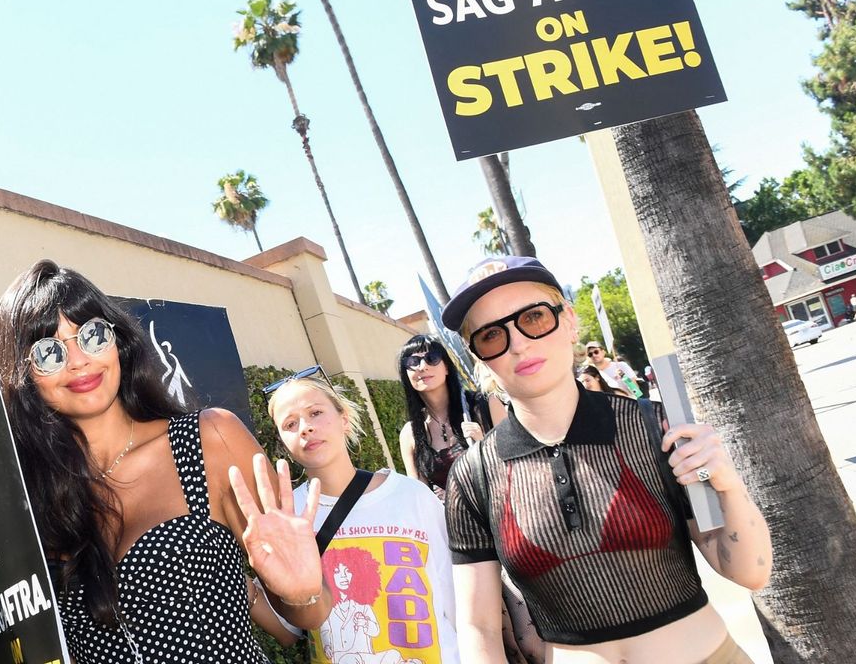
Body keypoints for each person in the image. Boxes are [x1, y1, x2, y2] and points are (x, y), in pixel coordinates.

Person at [0, 260, 331, 663]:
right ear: (24, 376)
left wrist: (302, 591)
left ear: (118, 341)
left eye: (92, 335)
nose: (79, 361)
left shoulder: (209, 439)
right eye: (48, 352)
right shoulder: (33, 501)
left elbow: (305, 616)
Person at [440, 256, 772, 664]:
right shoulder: (473, 477)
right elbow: (480, 627)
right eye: (492, 335)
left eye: (534, 317)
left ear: (570, 322)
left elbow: (748, 571)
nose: (520, 343)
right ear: (479, 359)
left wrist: (728, 484)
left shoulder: (654, 426)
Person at [264, 372, 462, 664]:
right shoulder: (286, 514)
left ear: (344, 419)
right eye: (290, 424)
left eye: (315, 413)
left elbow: (457, 598)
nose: (305, 428)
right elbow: (289, 626)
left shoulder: (411, 496)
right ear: (283, 442)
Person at [396, 334, 503, 494]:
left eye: (431, 358)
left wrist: (483, 445)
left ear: (446, 367)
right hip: (448, 517)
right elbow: (420, 497)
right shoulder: (411, 434)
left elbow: (517, 466)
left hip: (498, 509)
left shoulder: (485, 405)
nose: (422, 366)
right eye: (412, 362)